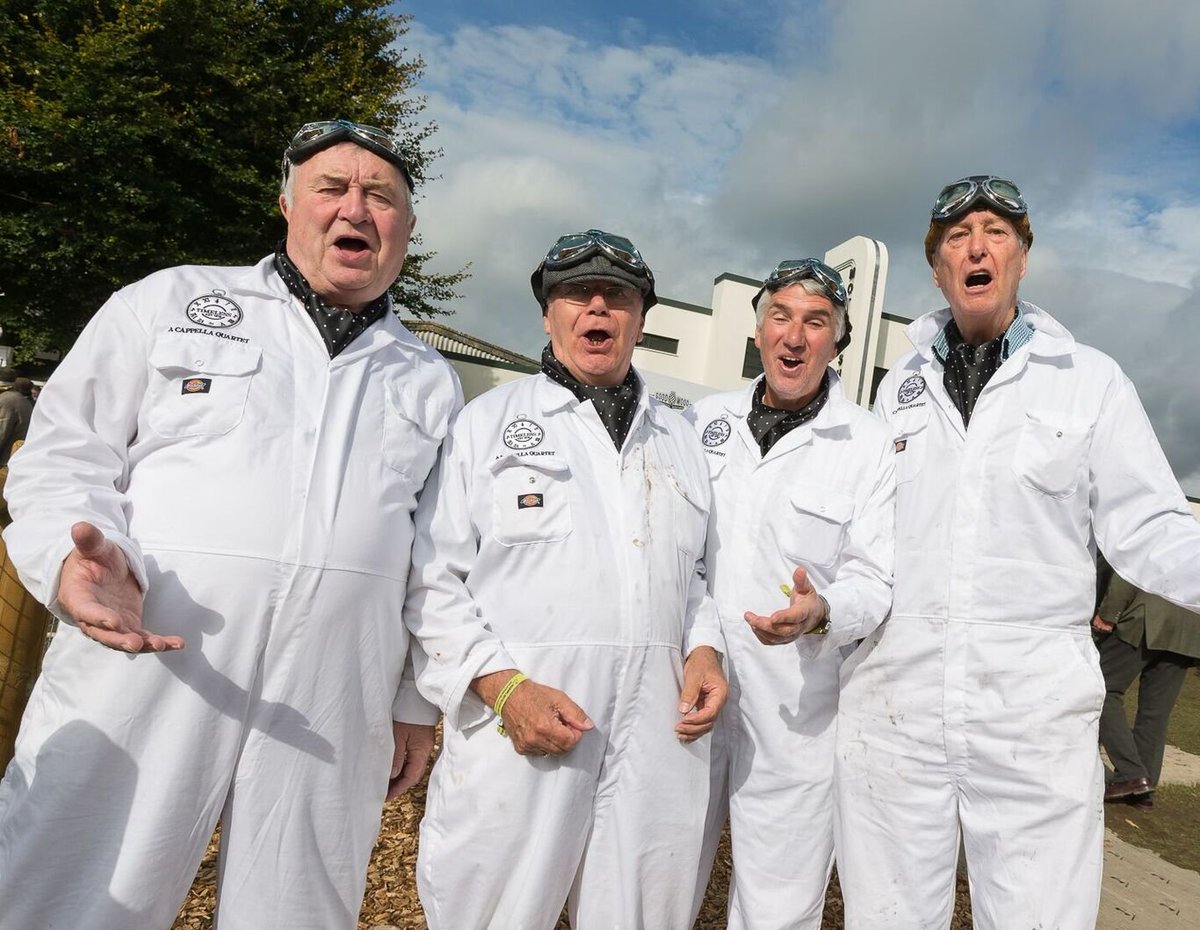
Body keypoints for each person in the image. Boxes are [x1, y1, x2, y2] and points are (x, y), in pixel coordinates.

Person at [0, 119, 461, 930]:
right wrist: (67, 562)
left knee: (298, 908)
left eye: (381, 197)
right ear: (287, 204)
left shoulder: (427, 376)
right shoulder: (170, 301)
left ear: (406, 230)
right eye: (331, 188)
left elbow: (433, 555)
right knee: (69, 888)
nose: (356, 207)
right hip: (150, 657)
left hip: (334, 693)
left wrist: (413, 701)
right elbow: (66, 456)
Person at [835, 175, 1200, 929]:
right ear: (937, 268)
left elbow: (1154, 527)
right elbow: (860, 539)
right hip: (895, 706)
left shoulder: (1089, 380)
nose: (977, 246)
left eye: (997, 233)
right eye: (957, 237)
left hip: (1032, 717)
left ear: (1023, 258)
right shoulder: (894, 388)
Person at [403, 228, 727, 930]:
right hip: (520, 737)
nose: (597, 308)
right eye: (577, 294)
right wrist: (503, 688)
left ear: (642, 320)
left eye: (618, 297)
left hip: (656, 744)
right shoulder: (485, 426)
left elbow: (698, 577)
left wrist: (705, 649)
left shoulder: (679, 441)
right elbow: (431, 579)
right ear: (547, 314)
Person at [683, 259, 894, 929]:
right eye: (780, 316)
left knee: (777, 905)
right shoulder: (702, 421)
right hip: (690, 688)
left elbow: (876, 579)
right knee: (657, 880)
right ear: (757, 329)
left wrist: (822, 612)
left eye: (815, 322)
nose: (794, 336)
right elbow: (672, 554)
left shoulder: (869, 444)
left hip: (797, 710)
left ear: (839, 342)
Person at [1094, 555, 1200, 809]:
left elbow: (1129, 568)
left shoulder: (1147, 523)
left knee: (1102, 690)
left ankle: (1132, 775)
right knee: (1155, 712)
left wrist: (1109, 613)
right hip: (1189, 631)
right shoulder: (1188, 532)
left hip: (1145, 618)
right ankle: (1143, 790)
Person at [0, 368, 33, 465]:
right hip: (14, 459)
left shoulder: (5, 400)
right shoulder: (20, 399)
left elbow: (1, 433)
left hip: (4, 462)